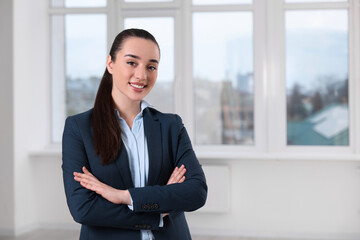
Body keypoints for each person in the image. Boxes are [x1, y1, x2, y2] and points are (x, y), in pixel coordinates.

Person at [61, 28, 207, 240]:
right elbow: (83, 208)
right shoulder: (79, 128)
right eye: (132, 62)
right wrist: (158, 212)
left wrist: (123, 196)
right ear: (110, 63)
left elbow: (196, 192)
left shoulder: (171, 126)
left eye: (151, 66)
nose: (142, 75)